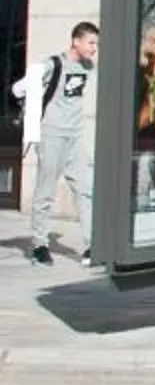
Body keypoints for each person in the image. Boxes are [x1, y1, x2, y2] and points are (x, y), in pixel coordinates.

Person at [15, 22, 98, 263]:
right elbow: (18, 88)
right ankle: (40, 245)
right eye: (91, 42)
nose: (94, 48)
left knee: (84, 189)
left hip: (75, 136)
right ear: (76, 41)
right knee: (45, 191)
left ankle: (92, 246)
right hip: (51, 135)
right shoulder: (52, 64)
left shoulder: (88, 66)